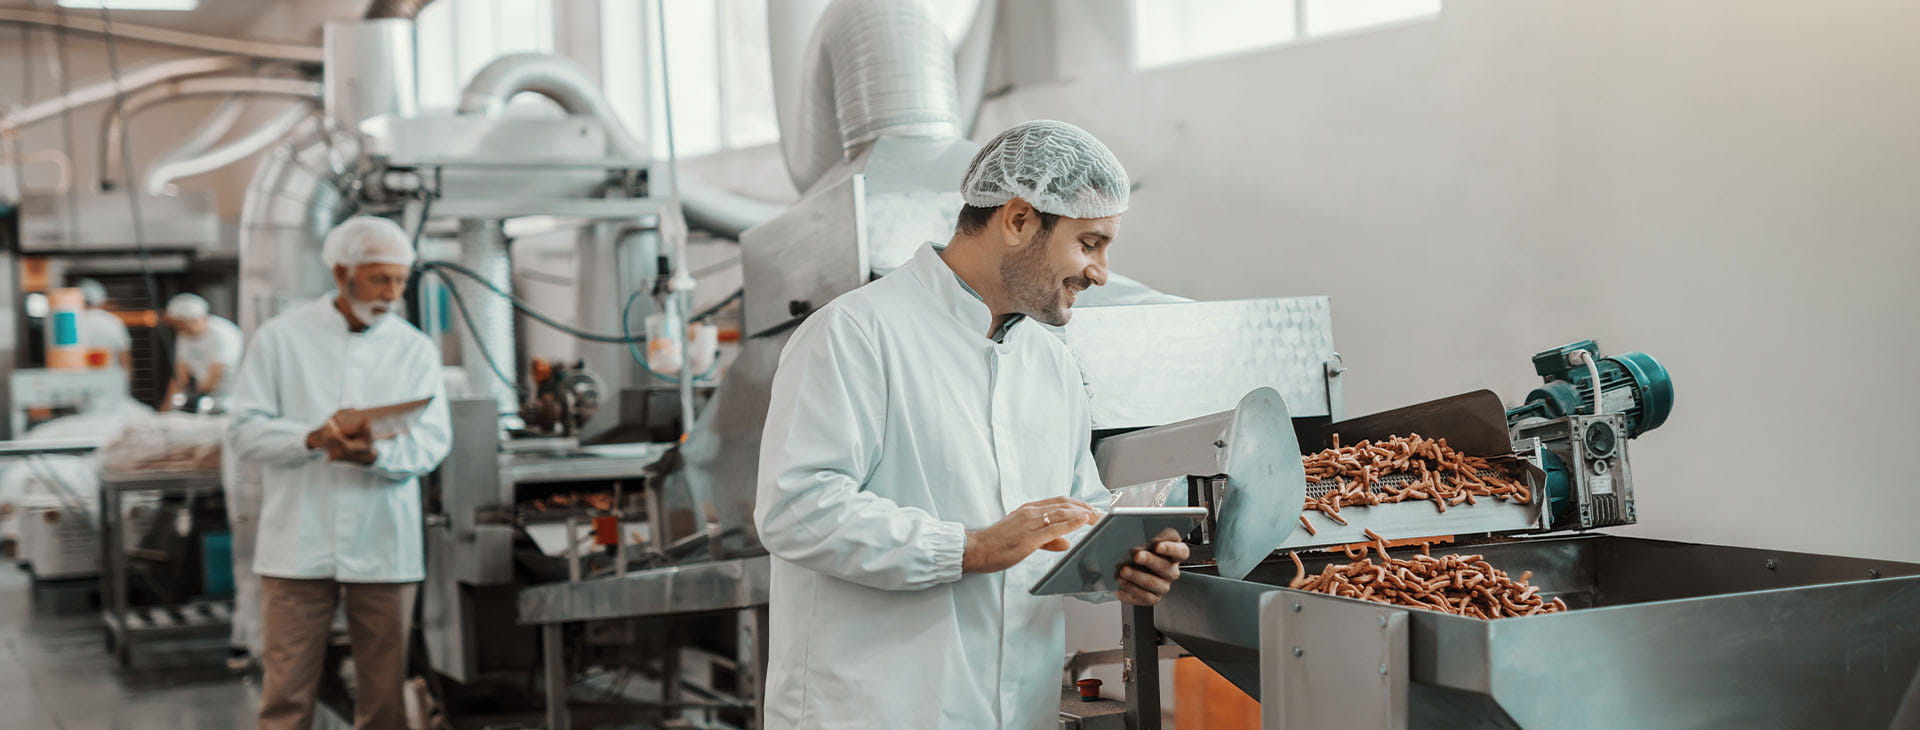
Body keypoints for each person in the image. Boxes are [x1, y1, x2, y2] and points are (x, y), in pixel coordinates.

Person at [753, 120, 1189, 729]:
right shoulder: (855, 334)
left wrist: (1119, 563)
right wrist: (971, 548)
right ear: (1017, 220)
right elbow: (796, 508)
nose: (1100, 273)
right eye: (1089, 243)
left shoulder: (1049, 363)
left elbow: (1070, 516)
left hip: (1015, 712)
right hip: (874, 711)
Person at [228, 216, 451, 730]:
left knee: (384, 698)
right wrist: (312, 439)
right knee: (286, 694)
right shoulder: (281, 339)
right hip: (296, 543)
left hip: (383, 540)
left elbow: (433, 440)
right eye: (379, 279)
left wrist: (376, 457)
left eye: (400, 280)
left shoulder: (414, 348)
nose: (392, 293)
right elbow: (243, 431)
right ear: (341, 273)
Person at [160, 293, 244, 412]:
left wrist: (194, 399)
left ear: (199, 318)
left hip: (230, 397)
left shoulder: (223, 333)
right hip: (204, 396)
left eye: (184, 324)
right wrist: (166, 408)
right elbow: (180, 375)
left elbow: (215, 374)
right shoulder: (184, 335)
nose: (181, 329)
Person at [74, 278, 132, 373]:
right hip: (111, 383)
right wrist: (127, 384)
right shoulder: (113, 322)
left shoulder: (71, 323)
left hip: (80, 383)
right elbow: (125, 359)